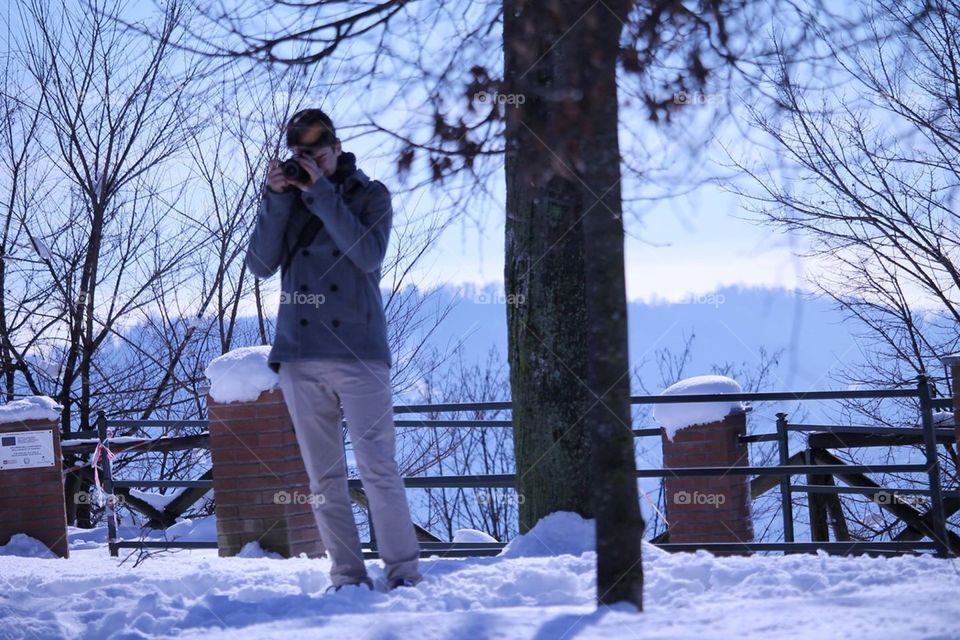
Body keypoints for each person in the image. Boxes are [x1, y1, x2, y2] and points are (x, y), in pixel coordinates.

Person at [244, 108, 422, 593]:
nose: (313, 163)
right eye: (304, 155)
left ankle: (404, 572)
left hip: (359, 352)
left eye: (320, 153)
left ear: (338, 148)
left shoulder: (370, 194)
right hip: (301, 355)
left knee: (378, 468)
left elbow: (366, 254)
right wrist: (276, 198)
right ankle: (346, 576)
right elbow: (259, 264)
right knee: (323, 480)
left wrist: (320, 192)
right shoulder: (291, 197)